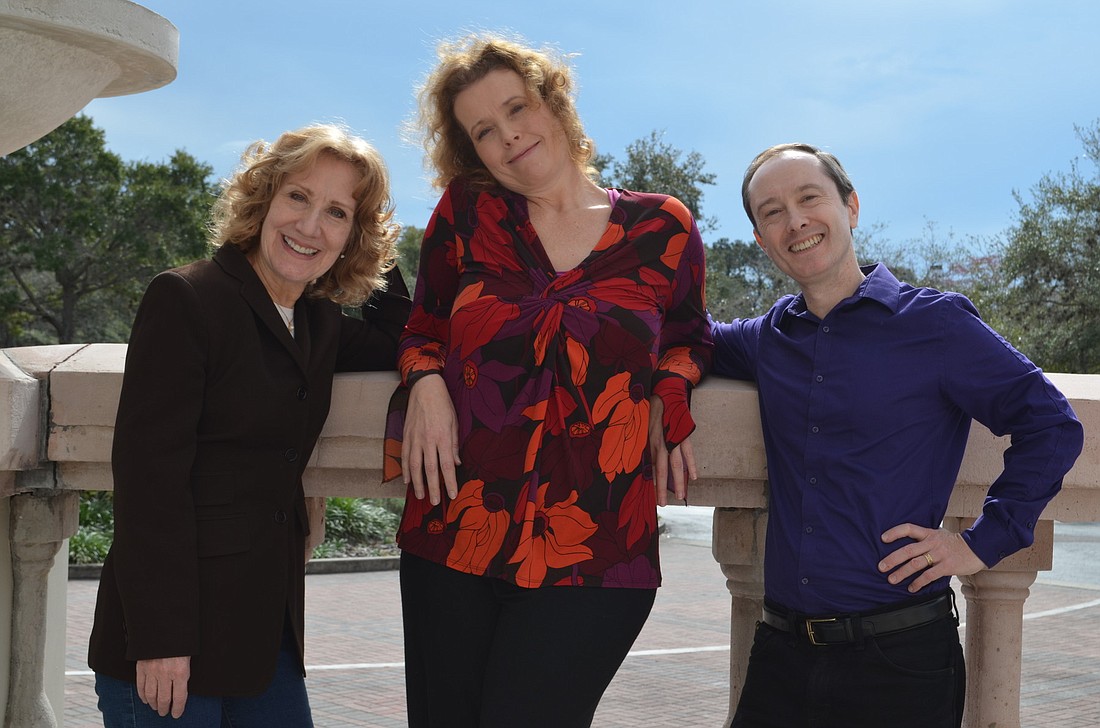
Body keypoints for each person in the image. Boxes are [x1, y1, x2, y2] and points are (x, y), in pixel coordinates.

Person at [382, 33, 712, 728]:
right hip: (453, 533)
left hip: (596, 549)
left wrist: (670, 391)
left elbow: (687, 336)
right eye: (484, 132)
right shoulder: (466, 214)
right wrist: (426, 383)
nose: (509, 138)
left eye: (516, 108)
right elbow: (422, 328)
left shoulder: (664, 227)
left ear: (554, 102)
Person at [711, 142, 1084, 728]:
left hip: (900, 660)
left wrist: (979, 543)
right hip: (780, 653)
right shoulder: (770, 337)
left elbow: (1052, 423)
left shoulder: (936, 324)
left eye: (810, 198)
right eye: (772, 212)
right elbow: (681, 336)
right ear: (761, 240)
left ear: (851, 206)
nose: (796, 221)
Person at [87, 124, 411, 727]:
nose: (311, 226)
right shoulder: (187, 298)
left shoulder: (316, 322)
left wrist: (374, 248)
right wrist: (161, 639)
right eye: (298, 197)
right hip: (168, 642)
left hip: (264, 640)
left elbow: (401, 337)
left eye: (337, 212)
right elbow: (149, 483)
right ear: (263, 198)